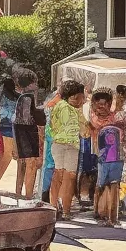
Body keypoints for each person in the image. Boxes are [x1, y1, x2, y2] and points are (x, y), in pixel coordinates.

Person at [49, 79, 88, 219]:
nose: (79, 100)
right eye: (77, 97)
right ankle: (60, 209)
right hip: (66, 145)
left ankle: (60, 209)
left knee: (63, 176)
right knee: (66, 176)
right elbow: (73, 126)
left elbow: (84, 129)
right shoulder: (65, 107)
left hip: (65, 145)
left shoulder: (71, 109)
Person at [90, 89, 123, 225]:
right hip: (102, 159)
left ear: (110, 104)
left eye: (105, 105)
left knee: (114, 185)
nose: (101, 108)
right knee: (100, 185)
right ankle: (98, 211)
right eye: (99, 105)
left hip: (115, 158)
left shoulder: (116, 118)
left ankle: (112, 217)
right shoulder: (93, 119)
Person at [12, 68, 44, 199]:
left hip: (22, 132)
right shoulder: (30, 97)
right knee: (31, 165)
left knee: (24, 165)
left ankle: (20, 194)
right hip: (31, 132)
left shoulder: (22, 97)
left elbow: (16, 121)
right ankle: (28, 197)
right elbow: (37, 119)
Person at [0, 76, 19, 191]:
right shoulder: (14, 97)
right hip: (9, 127)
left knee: (4, 156)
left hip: (1, 127)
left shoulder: (1, 95)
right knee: (7, 156)